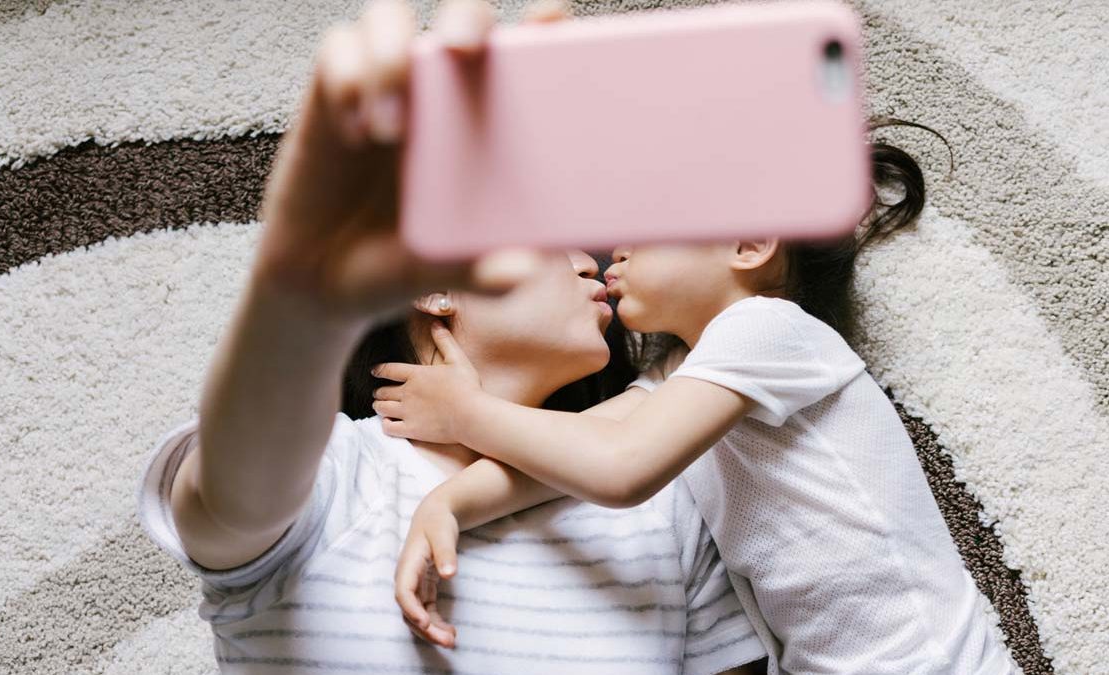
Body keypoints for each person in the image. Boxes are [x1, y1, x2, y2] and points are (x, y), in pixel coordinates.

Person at [135, 0, 768, 672]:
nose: (595, 260)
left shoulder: (661, 500)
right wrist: (300, 298)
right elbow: (230, 499)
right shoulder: (336, 479)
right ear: (434, 281)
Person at [378, 125, 1023, 674]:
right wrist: (449, 503)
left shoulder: (770, 329)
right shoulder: (680, 375)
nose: (614, 248)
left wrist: (466, 412)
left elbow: (620, 468)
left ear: (747, 244)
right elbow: (570, 458)